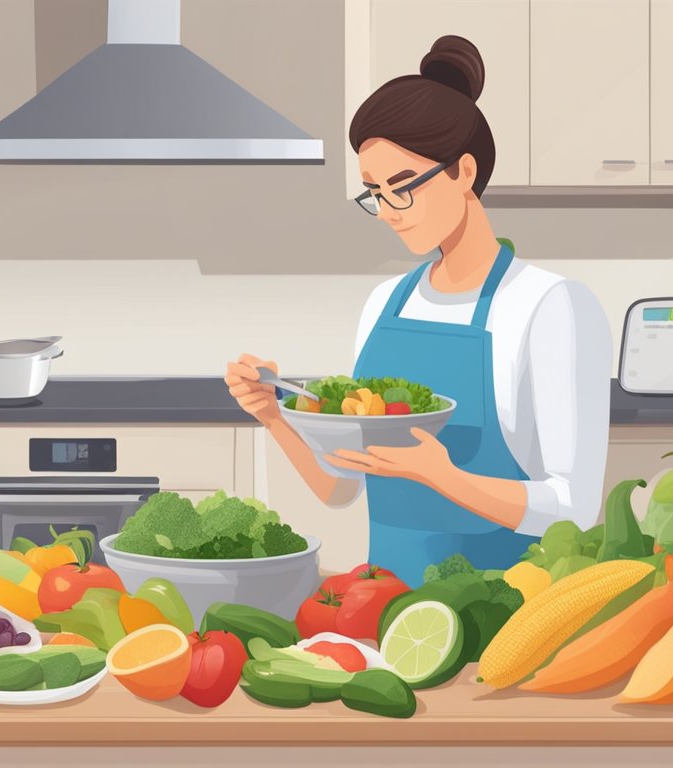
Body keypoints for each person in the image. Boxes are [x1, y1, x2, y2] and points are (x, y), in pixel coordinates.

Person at [224, 36, 611, 580]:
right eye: (374, 193)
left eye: (402, 187)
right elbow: (341, 487)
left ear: (465, 172)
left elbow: (573, 506)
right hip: (386, 608)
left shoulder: (550, 305)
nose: (387, 211)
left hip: (504, 612)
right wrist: (273, 414)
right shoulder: (386, 304)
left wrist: (445, 477)